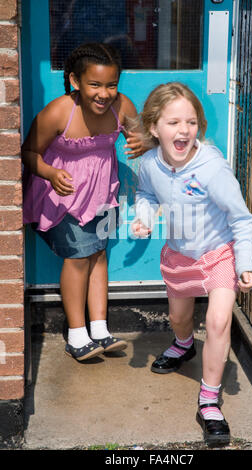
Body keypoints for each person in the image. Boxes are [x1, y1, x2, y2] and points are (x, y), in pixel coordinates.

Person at [132, 82, 252, 446]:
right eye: (173, 123)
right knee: (179, 318)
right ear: (154, 128)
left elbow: (242, 220)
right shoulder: (150, 163)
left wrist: (245, 262)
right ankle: (184, 343)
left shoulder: (213, 169)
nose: (183, 130)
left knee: (218, 321)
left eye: (190, 121)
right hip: (179, 255)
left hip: (219, 253)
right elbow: (145, 194)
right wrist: (143, 216)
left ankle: (209, 400)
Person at [22, 42, 146, 362]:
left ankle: (100, 329)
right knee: (78, 258)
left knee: (98, 255)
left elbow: (140, 136)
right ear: (76, 81)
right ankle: (77, 335)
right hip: (60, 195)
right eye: (95, 85)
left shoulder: (122, 107)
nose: (104, 93)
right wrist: (50, 173)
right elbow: (28, 153)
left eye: (111, 85)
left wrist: (143, 143)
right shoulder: (60, 111)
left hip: (101, 193)